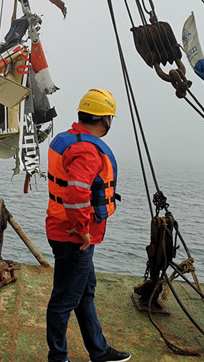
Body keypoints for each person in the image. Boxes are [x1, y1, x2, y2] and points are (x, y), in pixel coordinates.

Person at [45, 88, 131, 362]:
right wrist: (82, 228)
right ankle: (58, 357)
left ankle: (99, 350)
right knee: (65, 300)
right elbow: (74, 194)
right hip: (74, 237)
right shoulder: (87, 151)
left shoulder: (65, 139)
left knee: (84, 291)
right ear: (105, 120)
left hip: (60, 228)